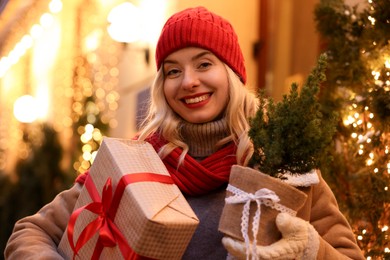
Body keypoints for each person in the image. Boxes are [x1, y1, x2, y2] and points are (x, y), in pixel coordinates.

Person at [4, 6, 364, 260]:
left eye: (204, 64)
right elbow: (29, 233)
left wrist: (308, 250)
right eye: (173, 71)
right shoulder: (136, 161)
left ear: (233, 75)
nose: (189, 82)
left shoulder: (283, 164)